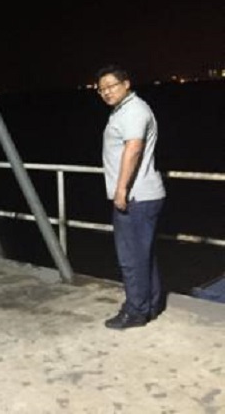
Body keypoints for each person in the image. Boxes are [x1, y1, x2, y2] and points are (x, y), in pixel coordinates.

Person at [96, 65, 166, 330]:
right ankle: (150, 305)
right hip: (142, 195)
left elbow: (134, 148)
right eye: (101, 89)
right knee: (142, 255)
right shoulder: (123, 110)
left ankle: (135, 311)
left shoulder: (134, 111)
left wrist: (121, 190)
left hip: (136, 196)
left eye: (111, 86)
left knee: (131, 258)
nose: (106, 92)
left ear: (126, 84)